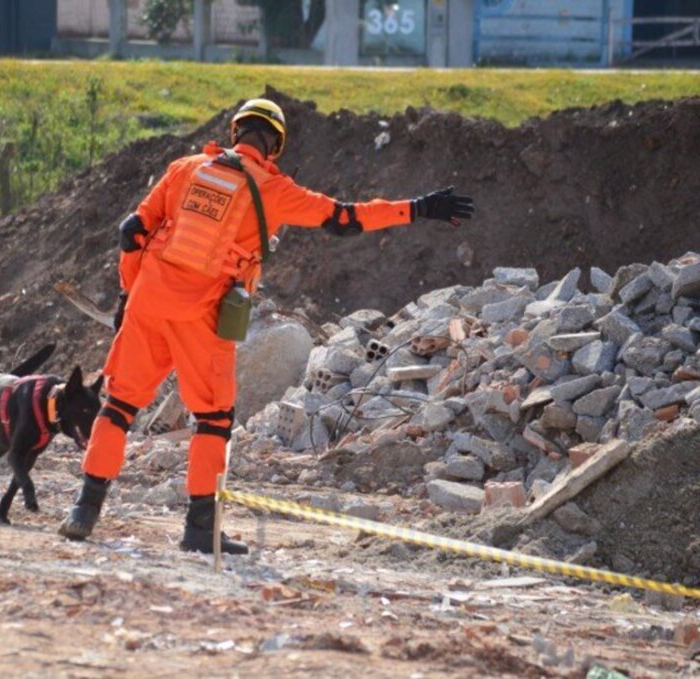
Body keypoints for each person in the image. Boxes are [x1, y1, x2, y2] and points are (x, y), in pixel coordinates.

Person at [59, 98, 474, 554]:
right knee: (213, 419)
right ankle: (199, 530)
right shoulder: (274, 190)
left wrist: (128, 295)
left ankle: (84, 509)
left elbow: (132, 231)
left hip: (148, 302)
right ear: (274, 146)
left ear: (235, 131)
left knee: (119, 406)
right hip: (204, 315)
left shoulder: (186, 168)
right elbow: (345, 218)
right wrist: (417, 208)